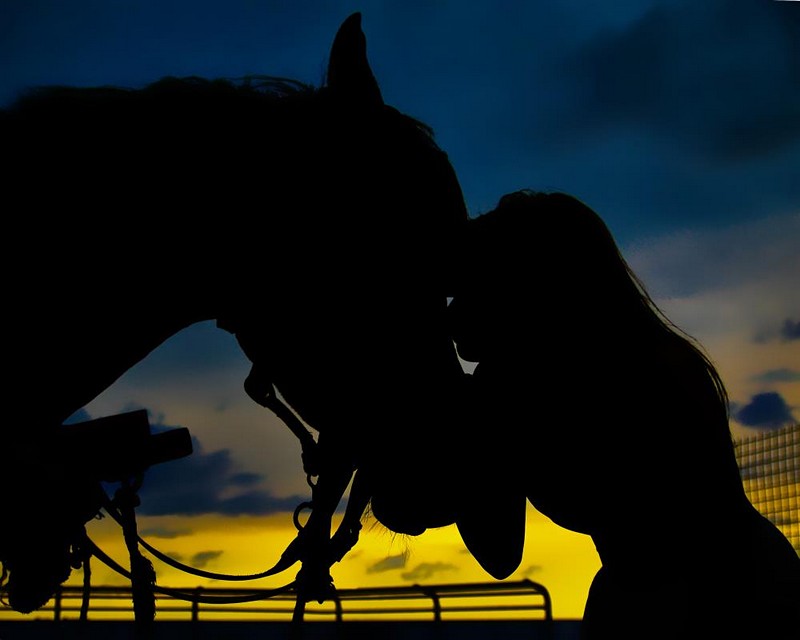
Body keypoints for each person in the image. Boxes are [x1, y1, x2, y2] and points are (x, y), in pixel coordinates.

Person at [447, 189, 800, 639]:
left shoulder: (626, 376)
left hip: (725, 605)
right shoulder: (536, 379)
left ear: (524, 285)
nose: (452, 313)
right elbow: (498, 549)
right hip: (685, 596)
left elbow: (498, 547)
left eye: (471, 287)